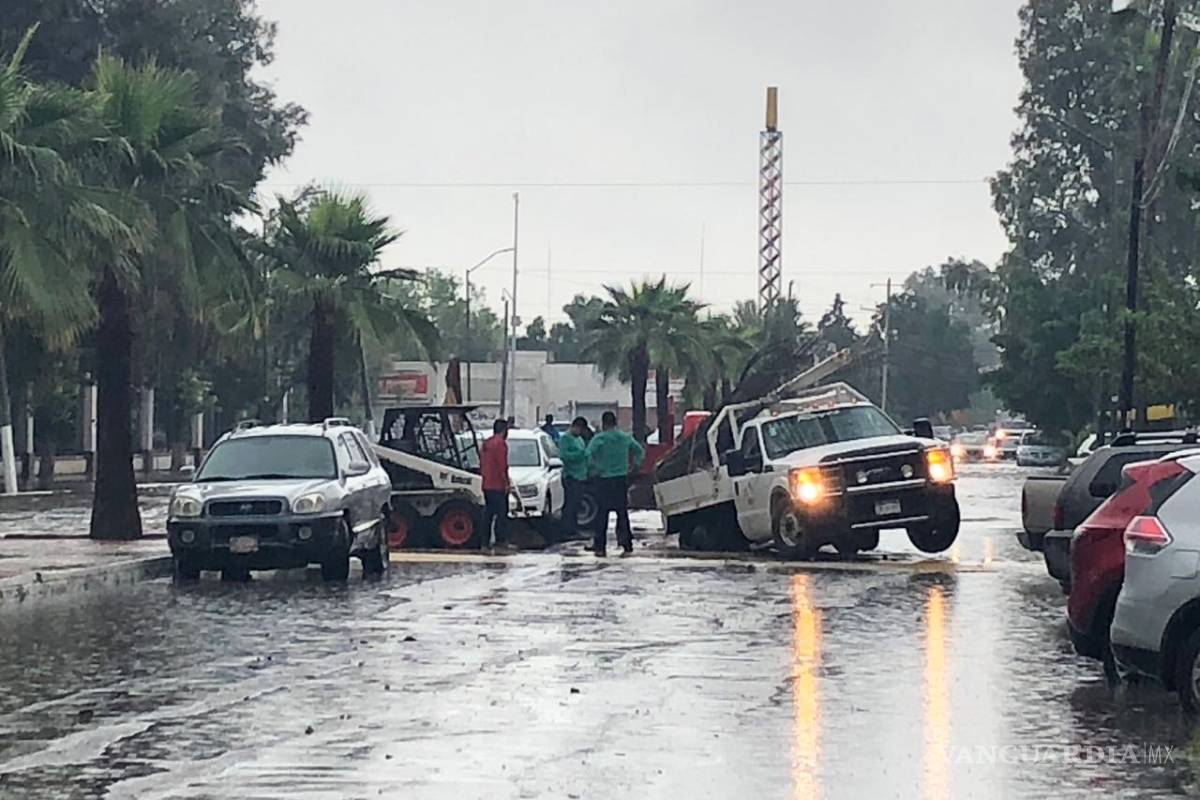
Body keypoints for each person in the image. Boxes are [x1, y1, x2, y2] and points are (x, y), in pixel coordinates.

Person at [585, 411, 645, 557]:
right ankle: (626, 544)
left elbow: (588, 454)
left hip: (604, 480)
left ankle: (600, 546)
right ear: (615, 422)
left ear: (604, 423)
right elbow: (639, 451)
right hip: (621, 479)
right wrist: (635, 466)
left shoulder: (600, 439)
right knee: (622, 513)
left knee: (602, 514)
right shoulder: (625, 437)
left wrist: (596, 468)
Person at [479, 419, 515, 550]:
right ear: (504, 430)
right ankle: (501, 540)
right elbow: (502, 466)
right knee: (501, 514)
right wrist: (506, 484)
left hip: (487, 484)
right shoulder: (500, 444)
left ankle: (484, 542)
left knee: (488, 513)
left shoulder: (487, 444)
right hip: (497, 485)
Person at [558, 417, 590, 539]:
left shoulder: (579, 439)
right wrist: (580, 455)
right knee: (570, 504)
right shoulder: (566, 439)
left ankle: (574, 528)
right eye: (580, 429)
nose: (580, 432)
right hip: (571, 476)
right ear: (575, 427)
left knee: (576, 504)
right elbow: (564, 456)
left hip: (580, 475)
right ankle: (567, 530)